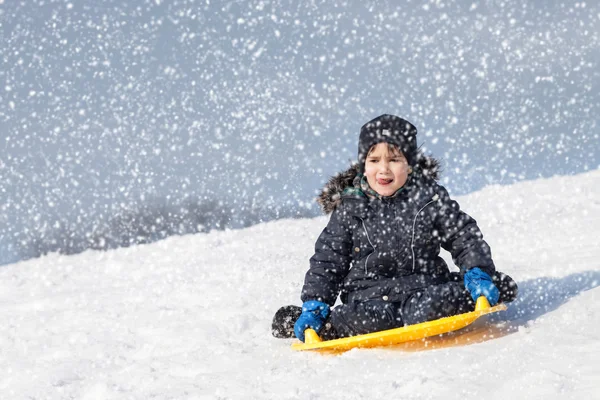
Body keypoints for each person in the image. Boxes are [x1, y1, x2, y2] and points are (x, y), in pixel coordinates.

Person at [272, 114, 518, 342]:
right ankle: (314, 323)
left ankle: (482, 287)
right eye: (374, 160)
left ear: (410, 165)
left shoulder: (427, 199)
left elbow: (463, 236)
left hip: (424, 289)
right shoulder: (350, 208)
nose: (384, 168)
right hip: (368, 298)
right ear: (363, 165)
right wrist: (315, 303)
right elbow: (328, 261)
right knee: (361, 320)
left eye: (394, 159)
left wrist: (478, 271)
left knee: (429, 308)